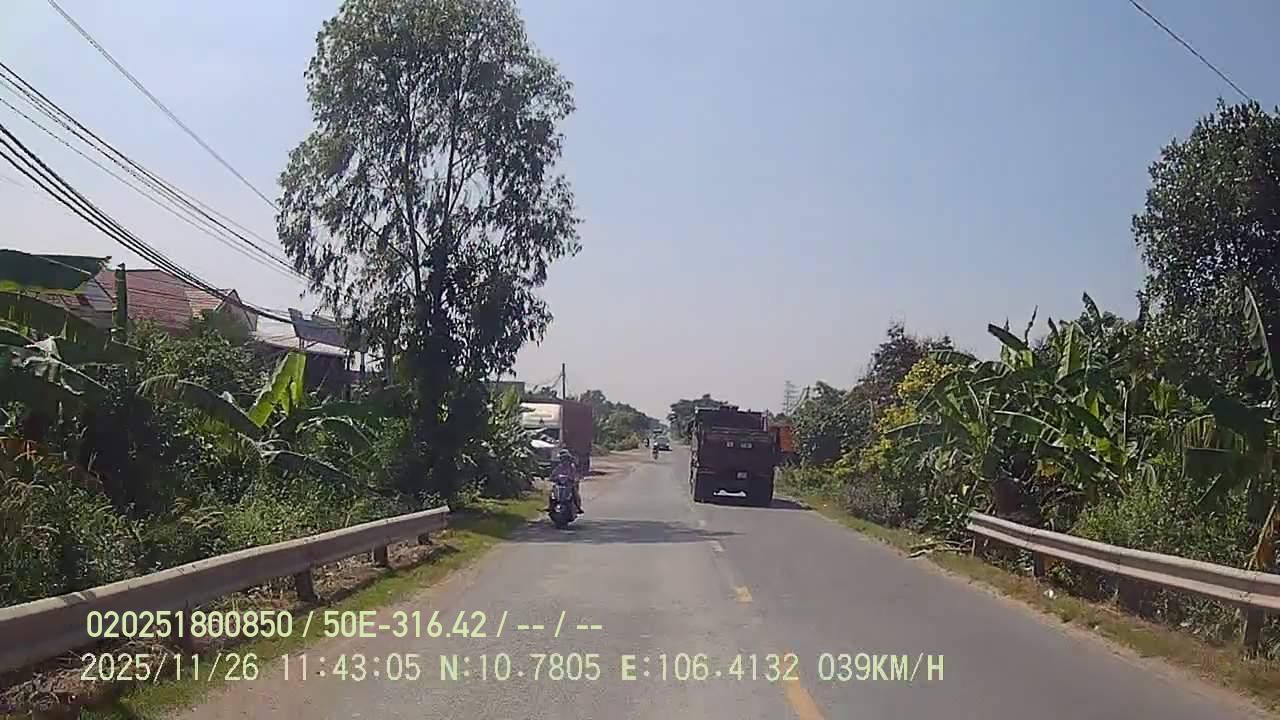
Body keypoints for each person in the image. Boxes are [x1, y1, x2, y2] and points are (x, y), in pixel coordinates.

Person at [552, 449, 584, 515]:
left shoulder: (572, 467)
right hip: (560, 484)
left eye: (565, 458)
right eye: (562, 458)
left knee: (575, 493)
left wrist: (574, 479)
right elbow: (553, 475)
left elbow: (575, 475)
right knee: (552, 493)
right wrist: (553, 478)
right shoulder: (559, 467)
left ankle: (578, 507)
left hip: (569, 485)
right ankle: (551, 506)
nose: (564, 460)